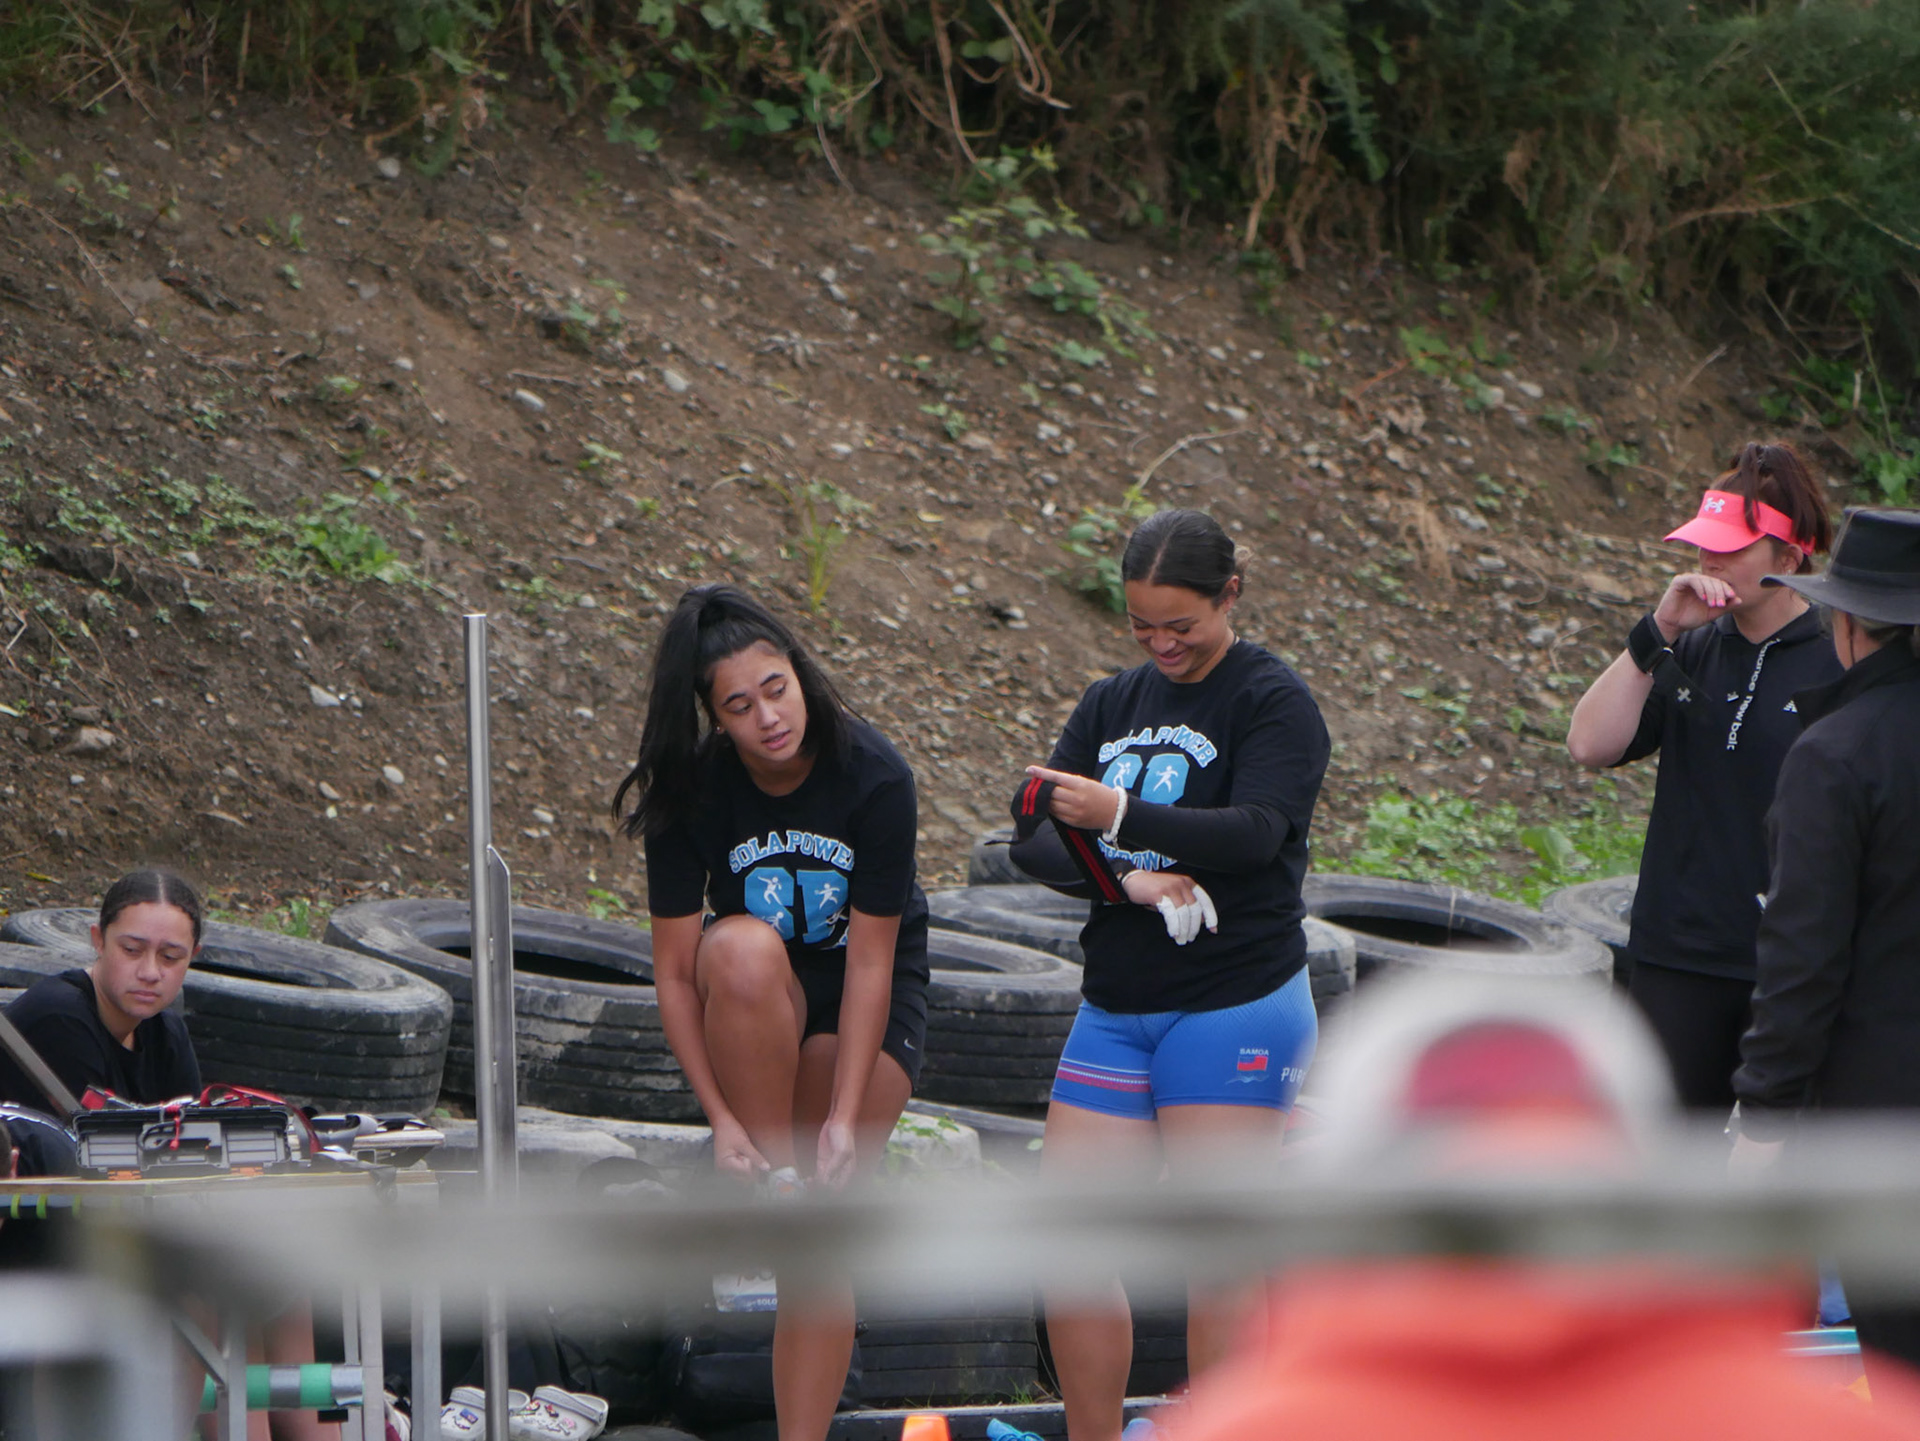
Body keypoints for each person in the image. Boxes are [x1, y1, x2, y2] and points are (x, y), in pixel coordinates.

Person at [1009, 509, 1329, 1441]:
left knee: (1215, 1254)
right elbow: (1033, 836)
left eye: (1180, 624)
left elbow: (1256, 832)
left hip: (1235, 1001)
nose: (1161, 644)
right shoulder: (1111, 701)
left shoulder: (1272, 700)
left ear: (1231, 594)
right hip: (1117, 1003)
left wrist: (1119, 812)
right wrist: (1126, 877)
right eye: (1141, 625)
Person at [612, 583, 929, 1441]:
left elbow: (872, 962)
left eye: (776, 689)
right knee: (738, 946)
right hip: (763, 995)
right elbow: (675, 973)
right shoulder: (694, 790)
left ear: (799, 671)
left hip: (868, 994)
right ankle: (772, 1191)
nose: (769, 718)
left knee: (818, 1232)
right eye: (740, 706)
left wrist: (842, 1117)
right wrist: (721, 1119)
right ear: (714, 718)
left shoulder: (874, 774)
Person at [1566, 442, 1837, 1109]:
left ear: (1789, 557)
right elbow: (1589, 745)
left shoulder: (1838, 657)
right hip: (1677, 952)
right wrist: (1657, 631)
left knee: (1776, 1156)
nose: (1709, 561)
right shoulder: (1687, 644)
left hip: (1790, 962)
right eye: (1702, 544)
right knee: (1664, 1152)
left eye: (1730, 548)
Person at [1729, 507, 1920, 1376]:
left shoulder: (1837, 754)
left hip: (1884, 1125)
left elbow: (1800, 962)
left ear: (1847, 624)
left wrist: (1761, 1122)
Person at [0, 868, 203, 1109]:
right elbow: (89, 1133)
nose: (150, 973)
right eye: (131, 950)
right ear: (99, 940)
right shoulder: (59, 1020)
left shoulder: (168, 1033)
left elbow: (195, 1127)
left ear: (192, 956)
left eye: (170, 957)